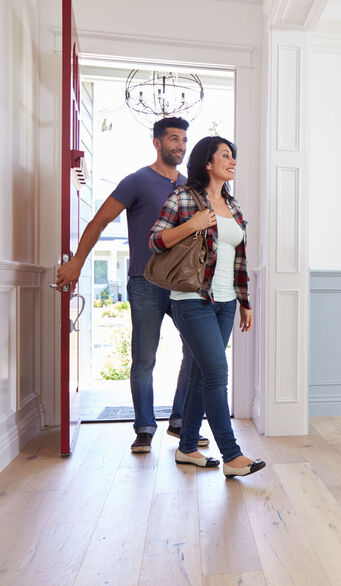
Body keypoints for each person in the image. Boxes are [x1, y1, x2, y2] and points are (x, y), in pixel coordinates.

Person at [54, 116, 209, 454]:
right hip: (145, 281)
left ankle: (181, 421)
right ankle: (144, 428)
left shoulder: (189, 187)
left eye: (183, 140)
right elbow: (99, 221)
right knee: (143, 358)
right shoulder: (137, 181)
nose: (180, 146)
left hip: (184, 285)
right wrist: (78, 261)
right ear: (157, 143)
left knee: (197, 352)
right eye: (173, 139)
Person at [149, 135, 265, 478]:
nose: (232, 162)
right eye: (226, 156)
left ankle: (187, 449)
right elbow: (155, 240)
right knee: (216, 374)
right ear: (207, 163)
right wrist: (192, 224)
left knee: (201, 375)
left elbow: (239, 258)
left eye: (234, 156)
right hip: (192, 300)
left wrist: (245, 302)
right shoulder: (183, 198)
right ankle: (231, 456)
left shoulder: (234, 205)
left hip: (226, 303)